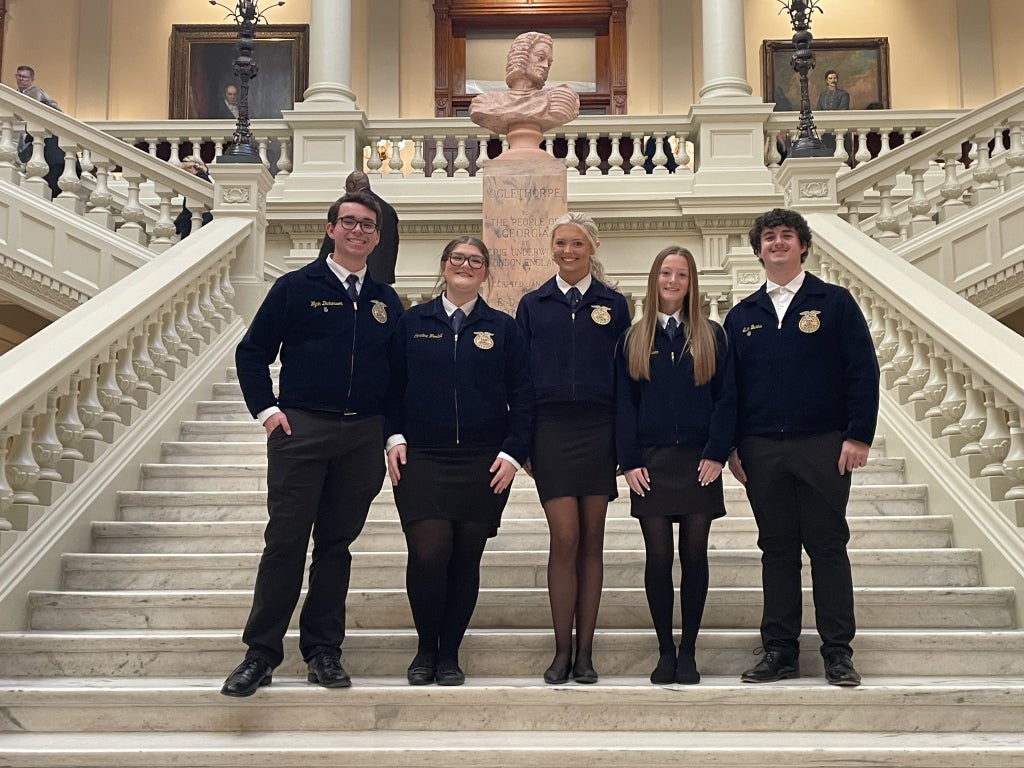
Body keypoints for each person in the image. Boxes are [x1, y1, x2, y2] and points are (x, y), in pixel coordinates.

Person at [222, 191, 404, 697]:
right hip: (301, 431)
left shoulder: (386, 301)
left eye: (368, 225)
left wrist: (391, 433)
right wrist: (267, 410)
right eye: (348, 222)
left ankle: (324, 650)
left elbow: (396, 379)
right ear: (331, 229)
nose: (358, 231)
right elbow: (253, 352)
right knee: (285, 543)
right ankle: (260, 653)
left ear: (377, 235)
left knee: (335, 547)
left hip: (361, 436)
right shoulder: (295, 287)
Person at [724, 208, 879, 688]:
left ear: (803, 246)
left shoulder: (833, 303)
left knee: (828, 548)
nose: (777, 243)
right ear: (758, 250)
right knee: (777, 550)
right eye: (768, 237)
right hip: (762, 450)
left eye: (786, 236)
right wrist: (731, 446)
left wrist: (858, 434)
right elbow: (730, 389)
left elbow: (862, 371)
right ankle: (780, 651)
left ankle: (837, 652)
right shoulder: (742, 315)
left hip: (823, 446)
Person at [385, 237, 533, 687]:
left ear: (485, 272)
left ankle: (449, 654)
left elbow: (525, 398)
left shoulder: (504, 329)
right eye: (457, 259)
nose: (465, 265)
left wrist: (512, 452)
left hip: (483, 462)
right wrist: (392, 435)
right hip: (422, 458)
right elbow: (389, 387)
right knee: (428, 554)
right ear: (444, 265)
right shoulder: (411, 323)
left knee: (466, 558)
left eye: (475, 261)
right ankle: (425, 647)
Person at [515, 212, 630, 685]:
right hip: (551, 430)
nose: (568, 251)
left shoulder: (615, 304)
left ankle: (585, 654)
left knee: (593, 539)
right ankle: (561, 649)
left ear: (592, 249)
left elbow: (627, 377)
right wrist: (521, 441)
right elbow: (519, 380)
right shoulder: (533, 304)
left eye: (576, 244)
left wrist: (627, 442)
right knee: (565, 537)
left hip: (600, 428)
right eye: (560, 243)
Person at [615, 247, 735, 685]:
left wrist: (717, 453)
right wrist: (628, 461)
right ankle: (665, 650)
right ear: (654, 279)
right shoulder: (633, 338)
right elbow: (624, 405)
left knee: (694, 556)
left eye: (681, 274)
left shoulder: (711, 335)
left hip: (699, 463)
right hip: (650, 464)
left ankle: (689, 652)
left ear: (691, 282)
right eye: (665, 272)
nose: (672, 281)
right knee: (659, 556)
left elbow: (726, 399)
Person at [469, 31, 580, 136]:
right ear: (521, 55)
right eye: (540, 57)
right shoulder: (486, 102)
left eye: (549, 62)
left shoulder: (556, 99)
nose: (545, 65)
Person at [317, 171, 400, 284]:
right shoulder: (389, 210)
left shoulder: (345, 208)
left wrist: (318, 273)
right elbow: (393, 245)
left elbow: (329, 245)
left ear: (351, 185)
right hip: (381, 280)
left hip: (349, 279)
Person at [14, 65, 66, 199]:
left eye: (24, 77)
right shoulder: (15, 93)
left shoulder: (34, 92)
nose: (21, 79)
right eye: (18, 76)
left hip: (48, 142)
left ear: (31, 79)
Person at [174, 155, 213, 239]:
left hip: (198, 220)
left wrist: (179, 224)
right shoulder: (204, 179)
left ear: (191, 169)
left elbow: (187, 210)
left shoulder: (198, 182)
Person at [816, 70, 850, 155]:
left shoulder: (843, 94)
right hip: (825, 131)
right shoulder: (822, 95)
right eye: (830, 78)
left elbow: (843, 109)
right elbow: (819, 110)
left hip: (839, 128)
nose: (833, 80)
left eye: (834, 78)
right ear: (827, 81)